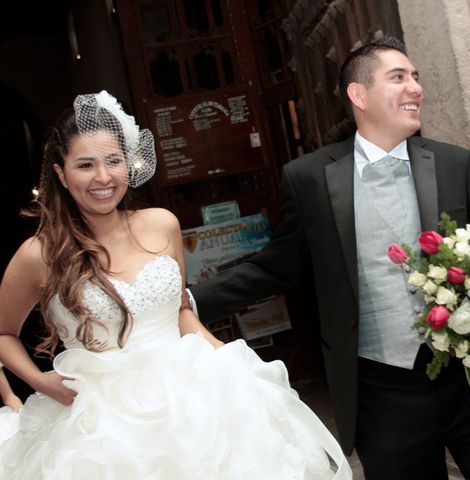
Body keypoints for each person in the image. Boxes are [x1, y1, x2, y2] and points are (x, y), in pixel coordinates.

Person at [191, 36, 470, 479]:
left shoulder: (453, 163)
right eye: (398, 77)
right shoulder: (309, 178)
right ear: (358, 94)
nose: (414, 87)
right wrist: (186, 301)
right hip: (383, 392)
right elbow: (278, 265)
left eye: (416, 77)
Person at [0, 91, 351, 479]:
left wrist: (220, 353)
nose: (103, 177)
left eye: (113, 161)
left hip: (190, 399)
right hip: (99, 420)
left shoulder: (162, 223)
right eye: (86, 164)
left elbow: (180, 309)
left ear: (128, 165)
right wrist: (39, 381)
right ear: (62, 174)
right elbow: (2, 333)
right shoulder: (39, 253)